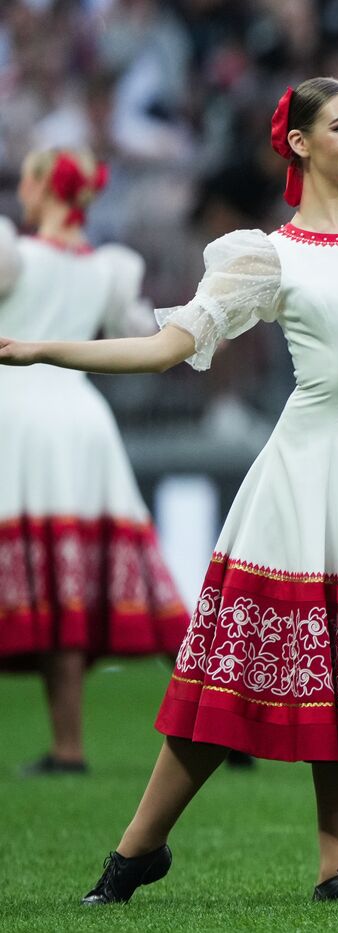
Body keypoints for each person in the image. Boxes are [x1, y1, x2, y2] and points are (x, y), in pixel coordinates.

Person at [0, 76, 338, 904]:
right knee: (231, 676)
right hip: (306, 472)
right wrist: (42, 349)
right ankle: (136, 848)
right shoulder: (268, 254)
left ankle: (336, 866)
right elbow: (163, 347)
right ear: (298, 142)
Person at [0, 147, 187, 776]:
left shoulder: (15, 255)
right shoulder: (107, 267)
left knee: (46, 581)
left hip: (19, 420)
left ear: (42, 186)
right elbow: (135, 330)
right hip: (82, 419)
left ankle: (70, 747)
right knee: (110, 576)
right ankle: (222, 714)